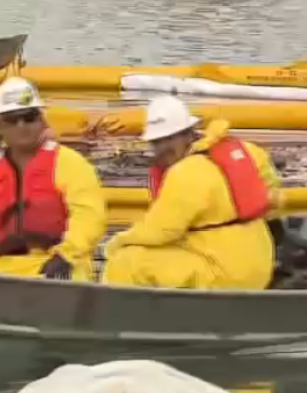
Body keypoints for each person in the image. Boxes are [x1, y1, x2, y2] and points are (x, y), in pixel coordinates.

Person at [0, 77, 108, 280]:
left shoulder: (72, 164)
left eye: (29, 117)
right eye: (12, 120)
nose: (21, 126)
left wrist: (65, 255)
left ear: (42, 120)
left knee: (73, 273)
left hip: (53, 262)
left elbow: (89, 219)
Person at [102, 95, 280, 290]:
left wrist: (117, 243)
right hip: (259, 265)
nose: (163, 148)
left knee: (127, 260)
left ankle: (119, 316)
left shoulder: (185, 172)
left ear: (188, 134)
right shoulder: (247, 151)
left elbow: (160, 231)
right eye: (157, 142)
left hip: (222, 274)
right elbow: (272, 190)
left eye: (169, 139)